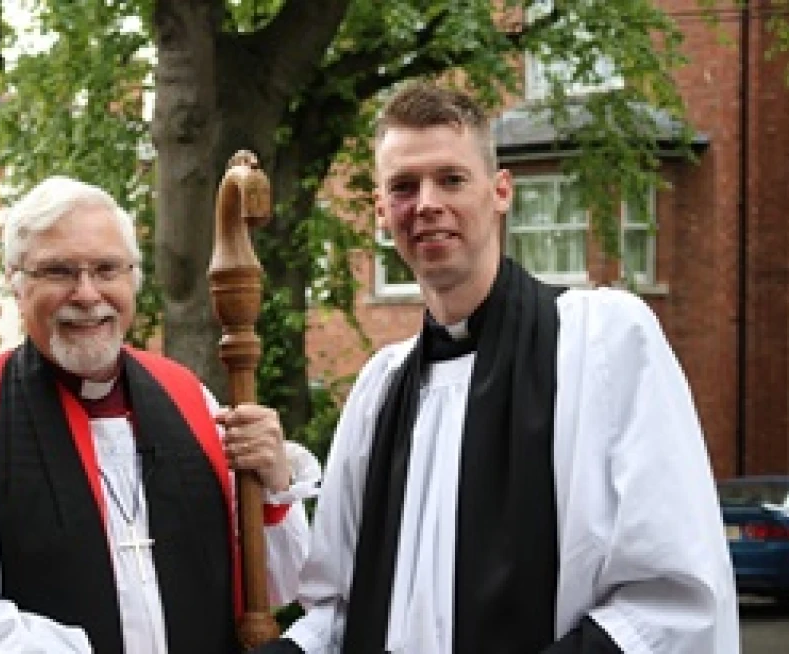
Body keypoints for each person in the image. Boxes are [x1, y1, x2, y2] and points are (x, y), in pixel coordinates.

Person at [254, 82, 739, 653]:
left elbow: (672, 602)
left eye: (451, 179)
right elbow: (336, 608)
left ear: (500, 191)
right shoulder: (380, 390)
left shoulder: (603, 342)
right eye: (404, 187)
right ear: (382, 213)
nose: (427, 202)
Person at [0, 176, 319, 653]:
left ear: (133, 277)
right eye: (58, 272)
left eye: (107, 269)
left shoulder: (190, 400)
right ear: (16, 284)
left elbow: (279, 586)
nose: (88, 294)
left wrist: (274, 489)